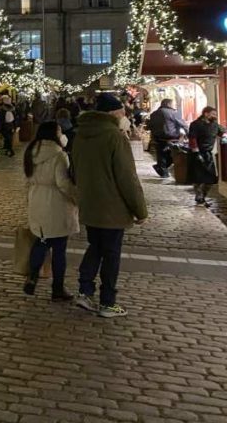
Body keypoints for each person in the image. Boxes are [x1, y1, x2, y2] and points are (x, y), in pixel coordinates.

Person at [72, 93, 148, 318]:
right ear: (114, 113)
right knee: (111, 254)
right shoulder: (114, 136)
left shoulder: (81, 134)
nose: (125, 115)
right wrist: (140, 210)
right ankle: (108, 302)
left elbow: (74, 171)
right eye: (122, 112)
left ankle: (84, 291)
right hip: (112, 207)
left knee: (95, 247)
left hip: (89, 203)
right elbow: (127, 177)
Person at [23, 121, 77, 302]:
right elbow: (63, 183)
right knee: (60, 248)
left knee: (41, 240)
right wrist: (77, 198)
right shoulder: (59, 155)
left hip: (37, 197)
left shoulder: (31, 151)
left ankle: (32, 276)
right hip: (56, 203)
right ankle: (58, 288)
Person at [188, 106, 226, 207]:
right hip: (197, 153)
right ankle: (199, 197)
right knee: (198, 178)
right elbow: (192, 138)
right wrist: (196, 152)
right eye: (213, 114)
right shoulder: (195, 124)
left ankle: (202, 196)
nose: (215, 116)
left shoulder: (215, 125)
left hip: (208, 154)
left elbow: (223, 131)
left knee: (211, 179)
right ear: (206, 114)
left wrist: (225, 137)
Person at [147, 98, 189, 178]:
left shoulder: (154, 114)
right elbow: (183, 124)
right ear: (169, 104)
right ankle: (162, 169)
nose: (174, 105)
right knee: (174, 155)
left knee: (161, 155)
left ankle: (163, 172)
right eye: (173, 104)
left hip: (158, 138)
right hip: (172, 137)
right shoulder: (173, 113)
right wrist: (188, 134)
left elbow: (150, 126)